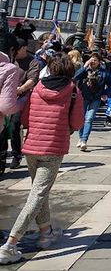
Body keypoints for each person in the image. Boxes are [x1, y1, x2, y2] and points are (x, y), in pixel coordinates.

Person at [0, 54, 84, 264]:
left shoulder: (36, 88)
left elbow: (26, 118)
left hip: (31, 148)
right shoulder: (73, 91)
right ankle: (10, 244)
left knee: (40, 192)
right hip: (53, 149)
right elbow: (78, 122)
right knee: (37, 195)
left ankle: (46, 233)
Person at [1, 37, 35, 174]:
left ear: (24, 48)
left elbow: (32, 79)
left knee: (14, 127)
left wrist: (20, 91)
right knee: (3, 133)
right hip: (10, 103)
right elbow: (6, 106)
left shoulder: (33, 62)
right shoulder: (10, 65)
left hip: (20, 97)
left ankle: (16, 154)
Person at [72, 55, 108, 152]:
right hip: (83, 96)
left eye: (95, 60)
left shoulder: (103, 73)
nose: (93, 62)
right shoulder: (84, 71)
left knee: (89, 118)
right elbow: (75, 77)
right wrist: (85, 66)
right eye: (91, 60)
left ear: (99, 62)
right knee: (81, 118)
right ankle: (80, 137)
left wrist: (105, 93)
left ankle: (84, 140)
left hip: (95, 98)